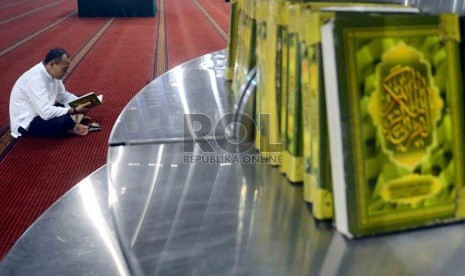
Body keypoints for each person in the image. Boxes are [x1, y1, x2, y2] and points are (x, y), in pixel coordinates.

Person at [9, 48, 93, 138]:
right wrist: (74, 111)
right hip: (27, 122)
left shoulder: (53, 74)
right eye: (64, 69)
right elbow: (46, 113)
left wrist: (80, 102)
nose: (66, 72)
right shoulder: (35, 79)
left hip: (44, 111)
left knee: (82, 101)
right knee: (63, 121)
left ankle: (73, 123)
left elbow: (62, 96)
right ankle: (72, 126)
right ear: (52, 64)